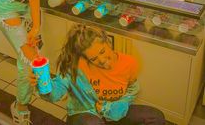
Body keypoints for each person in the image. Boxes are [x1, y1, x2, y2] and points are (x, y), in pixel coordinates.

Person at [30, 24, 166, 125]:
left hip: (113, 111)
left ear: (107, 41)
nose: (101, 60)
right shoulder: (76, 67)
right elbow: (56, 93)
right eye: (93, 59)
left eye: (102, 51)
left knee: (156, 117)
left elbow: (133, 89)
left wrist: (117, 106)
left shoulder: (128, 62)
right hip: (85, 114)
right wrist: (43, 84)